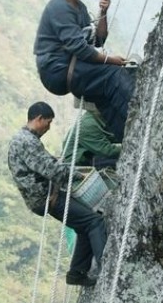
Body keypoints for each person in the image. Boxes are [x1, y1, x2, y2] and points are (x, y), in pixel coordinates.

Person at [34, 0, 135, 142]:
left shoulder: (79, 7)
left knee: (105, 95)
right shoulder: (60, 8)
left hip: (72, 66)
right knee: (114, 74)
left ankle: (126, 141)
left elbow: (98, 40)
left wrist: (103, 12)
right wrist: (111, 60)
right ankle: (141, 117)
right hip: (58, 69)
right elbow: (80, 48)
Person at [7, 101, 105, 287]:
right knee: (95, 221)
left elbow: (45, 162)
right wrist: (77, 174)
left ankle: (77, 273)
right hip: (47, 197)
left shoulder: (24, 139)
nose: (49, 127)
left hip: (42, 197)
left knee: (84, 226)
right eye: (48, 122)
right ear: (38, 118)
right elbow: (52, 170)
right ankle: (107, 267)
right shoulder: (26, 141)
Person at [60, 105, 121, 170]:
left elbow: (112, 137)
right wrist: (128, 147)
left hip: (90, 157)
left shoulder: (96, 117)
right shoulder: (88, 125)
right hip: (78, 164)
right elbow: (107, 150)